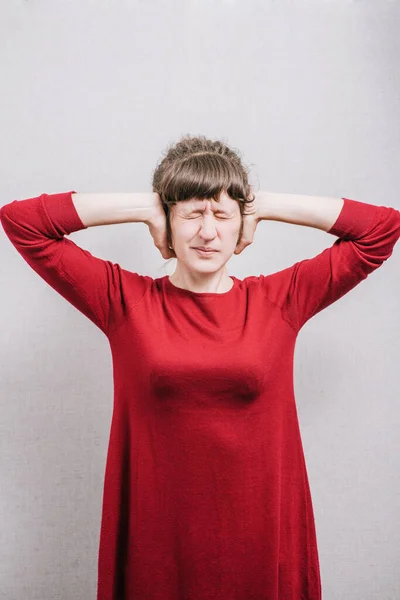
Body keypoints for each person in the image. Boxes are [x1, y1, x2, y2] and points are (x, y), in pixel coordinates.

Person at [1, 134, 400, 600]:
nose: (207, 233)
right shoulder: (124, 301)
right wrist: (146, 205)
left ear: (242, 226)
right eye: (190, 214)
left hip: (260, 537)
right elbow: (22, 222)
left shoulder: (279, 301)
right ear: (167, 223)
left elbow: (381, 229)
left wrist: (263, 204)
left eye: (223, 215)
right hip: (158, 543)